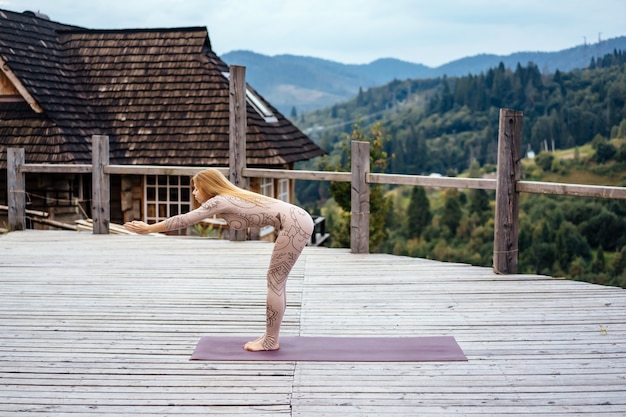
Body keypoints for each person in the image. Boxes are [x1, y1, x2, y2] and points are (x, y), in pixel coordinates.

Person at [124, 169, 314, 351]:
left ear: (208, 187)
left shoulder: (219, 201)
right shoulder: (228, 198)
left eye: (197, 188)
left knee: (275, 282)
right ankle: (269, 337)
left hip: (295, 224)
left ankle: (271, 340)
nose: (194, 192)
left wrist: (149, 228)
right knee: (275, 282)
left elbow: (185, 219)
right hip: (298, 220)